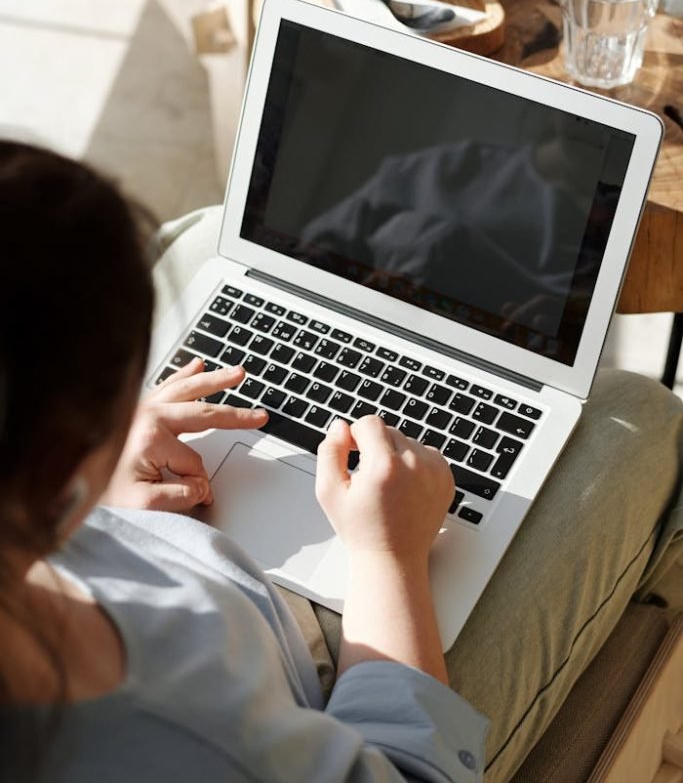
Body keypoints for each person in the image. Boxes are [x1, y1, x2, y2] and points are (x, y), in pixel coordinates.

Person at [0, 141, 681, 783]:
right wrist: (391, 561)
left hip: (158, 538)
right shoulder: (193, 737)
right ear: (62, 456)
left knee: (215, 230)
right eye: (122, 385)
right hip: (330, 677)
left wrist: (100, 509)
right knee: (642, 418)